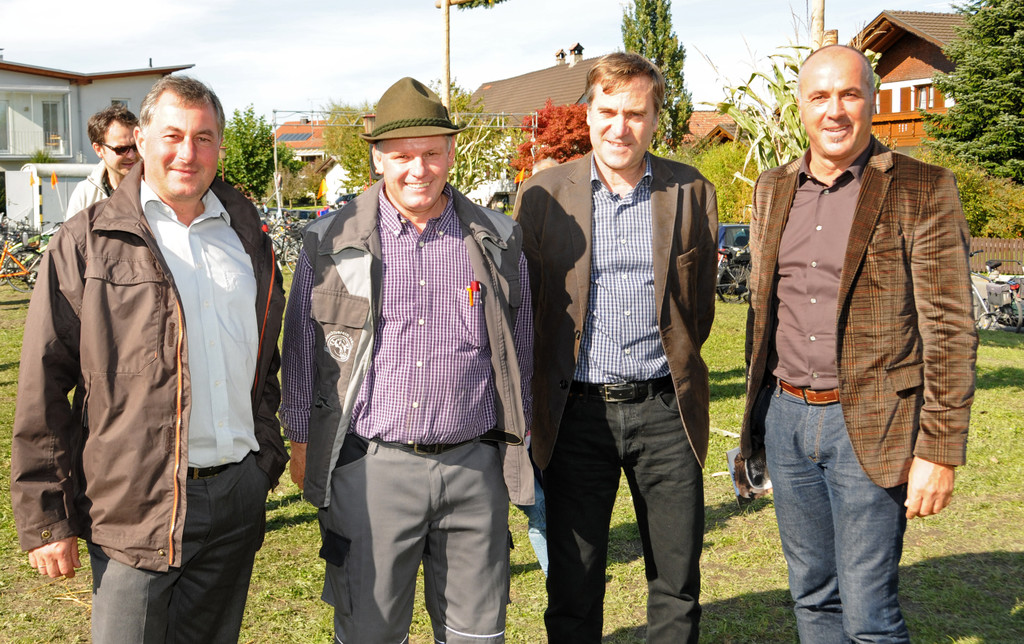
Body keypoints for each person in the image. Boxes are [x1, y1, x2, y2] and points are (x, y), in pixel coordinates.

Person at [10, 75, 287, 643]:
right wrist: (46, 513)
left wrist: (263, 459)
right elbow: (43, 383)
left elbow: (263, 361)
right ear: (141, 140)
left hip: (234, 501)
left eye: (203, 138)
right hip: (132, 507)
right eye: (173, 136)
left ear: (220, 146)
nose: (188, 153)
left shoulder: (247, 237)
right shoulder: (86, 241)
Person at [280, 77, 534, 644]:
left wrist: (522, 440)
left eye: (432, 153)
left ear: (451, 152)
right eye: (401, 156)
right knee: (370, 633)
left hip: (474, 469)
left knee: (478, 635)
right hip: (372, 471)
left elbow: (521, 350)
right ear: (377, 158)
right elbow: (299, 354)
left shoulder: (499, 239)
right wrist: (301, 442)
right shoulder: (327, 242)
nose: (418, 169)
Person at [740, 45, 977, 642]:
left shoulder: (922, 187)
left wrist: (940, 451)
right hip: (786, 419)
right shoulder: (772, 189)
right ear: (800, 107)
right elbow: (762, 314)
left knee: (870, 614)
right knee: (812, 596)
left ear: (871, 101)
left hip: (871, 422)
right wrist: (757, 424)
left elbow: (949, 328)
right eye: (820, 96)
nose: (835, 110)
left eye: (849, 94)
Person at [514, 52, 718, 643]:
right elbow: (527, 307)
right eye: (607, 111)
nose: (619, 127)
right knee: (573, 587)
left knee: (677, 581)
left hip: (667, 413)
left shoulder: (691, 191)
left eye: (635, 113)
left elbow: (698, 308)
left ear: (655, 118)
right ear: (589, 112)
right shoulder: (543, 195)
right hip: (576, 415)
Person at [66, 104, 139, 219]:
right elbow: (72, 231)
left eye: (136, 146)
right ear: (99, 150)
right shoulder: (85, 194)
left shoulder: (157, 188)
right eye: (121, 149)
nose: (131, 155)